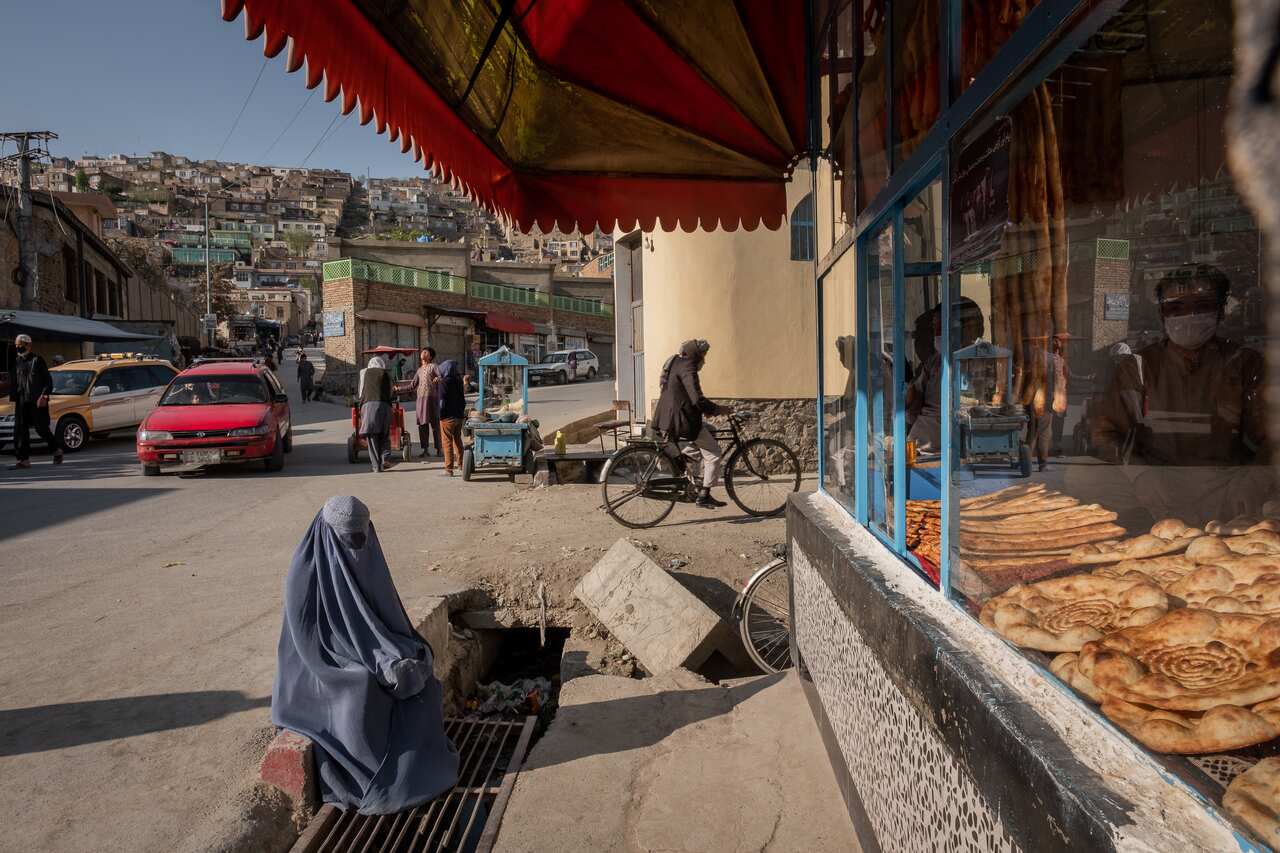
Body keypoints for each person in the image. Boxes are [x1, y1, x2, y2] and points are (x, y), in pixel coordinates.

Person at [272, 496, 459, 814]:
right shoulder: (303, 577)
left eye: (361, 537)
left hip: (366, 652)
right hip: (321, 671)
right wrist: (375, 662)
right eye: (349, 538)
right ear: (328, 535)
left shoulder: (367, 555)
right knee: (362, 689)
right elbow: (313, 646)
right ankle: (381, 778)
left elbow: (385, 618)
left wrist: (393, 656)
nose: (356, 546)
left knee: (419, 670)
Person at [1091, 263, 1270, 525]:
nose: (1189, 316)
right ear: (1162, 314)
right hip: (1156, 496)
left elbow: (1273, 437)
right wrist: (1139, 474)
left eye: (1202, 306)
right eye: (1176, 309)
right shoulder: (1138, 368)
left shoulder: (1246, 364)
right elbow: (1104, 432)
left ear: (1221, 311)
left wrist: (1256, 478)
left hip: (1231, 497)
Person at [653, 339, 728, 509]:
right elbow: (696, 397)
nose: (705, 360)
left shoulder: (675, 362)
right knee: (714, 453)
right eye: (704, 355)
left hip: (667, 417)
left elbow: (687, 394)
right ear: (696, 354)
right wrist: (718, 409)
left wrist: (706, 410)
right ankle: (704, 495)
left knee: (710, 430)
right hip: (680, 419)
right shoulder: (688, 367)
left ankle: (685, 457)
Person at [905, 298, 984, 454]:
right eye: (935, 327)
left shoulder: (979, 359)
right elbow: (915, 397)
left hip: (963, 436)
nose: (936, 333)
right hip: (925, 437)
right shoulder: (935, 361)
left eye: (939, 326)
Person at [8, 334, 64, 469]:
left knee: (41, 428)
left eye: (20, 345)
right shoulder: (16, 361)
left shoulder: (37, 360)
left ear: (28, 345)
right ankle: (23, 460)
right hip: (22, 401)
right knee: (20, 430)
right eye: (16, 345)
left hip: (37, 400)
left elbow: (47, 381)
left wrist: (44, 396)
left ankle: (56, 449)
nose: (18, 347)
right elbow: (14, 381)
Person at [359, 355, 393, 473]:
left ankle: (376, 467)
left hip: (369, 407)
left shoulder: (364, 373)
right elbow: (391, 392)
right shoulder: (386, 374)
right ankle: (385, 458)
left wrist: (360, 406)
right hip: (385, 406)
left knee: (372, 437)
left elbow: (361, 392)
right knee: (384, 434)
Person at [437, 359, 466, 476]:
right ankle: (461, 464)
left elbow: (441, 401)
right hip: (459, 416)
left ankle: (448, 469)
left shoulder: (444, 382)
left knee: (447, 442)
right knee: (458, 440)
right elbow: (463, 400)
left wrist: (440, 414)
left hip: (447, 416)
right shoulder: (459, 381)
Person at [413, 347, 442, 458]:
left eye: (426, 352)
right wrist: (398, 389)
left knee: (435, 425)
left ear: (430, 357)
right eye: (423, 351)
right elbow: (412, 385)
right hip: (420, 400)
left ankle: (439, 449)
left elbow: (440, 376)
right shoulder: (419, 370)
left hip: (431, 399)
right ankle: (425, 450)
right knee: (422, 425)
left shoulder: (433, 366)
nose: (423, 353)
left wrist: (438, 378)